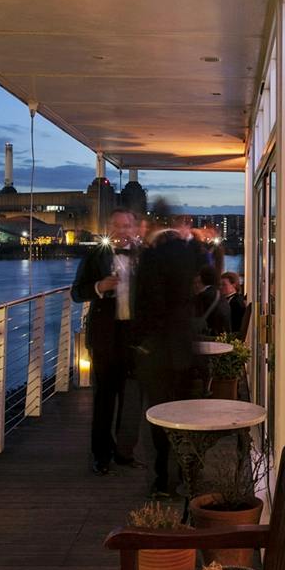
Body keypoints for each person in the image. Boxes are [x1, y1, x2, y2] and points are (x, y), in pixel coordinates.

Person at [133, 211, 203, 498]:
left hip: (158, 352)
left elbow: (144, 307)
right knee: (185, 415)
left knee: (159, 417)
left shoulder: (149, 259)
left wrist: (141, 344)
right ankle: (187, 476)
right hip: (183, 347)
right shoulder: (187, 255)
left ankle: (163, 480)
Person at [70, 208, 141, 475]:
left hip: (134, 337)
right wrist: (100, 287)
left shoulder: (144, 258)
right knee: (104, 399)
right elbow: (76, 292)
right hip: (104, 336)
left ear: (133, 229)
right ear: (109, 228)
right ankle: (100, 455)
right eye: (117, 226)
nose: (122, 231)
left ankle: (124, 452)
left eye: (127, 226)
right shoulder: (95, 256)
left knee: (131, 399)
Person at [195, 264, 230, 337]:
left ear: (201, 278)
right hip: (223, 338)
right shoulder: (221, 296)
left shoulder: (202, 297)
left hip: (209, 338)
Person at [220, 271, 247, 337]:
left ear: (234, 284)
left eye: (224, 284)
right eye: (220, 285)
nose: (221, 287)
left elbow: (236, 325)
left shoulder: (237, 302)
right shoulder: (225, 300)